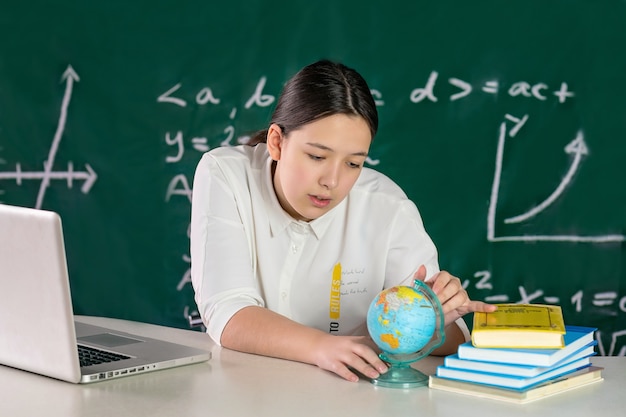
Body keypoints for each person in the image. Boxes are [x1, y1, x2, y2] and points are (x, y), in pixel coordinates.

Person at [190, 59, 496, 382]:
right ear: (277, 142)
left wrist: (432, 315)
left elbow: (452, 340)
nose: (333, 181)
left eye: (353, 164)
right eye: (317, 157)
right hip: (242, 394)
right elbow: (228, 314)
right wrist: (323, 346)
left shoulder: (388, 207)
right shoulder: (225, 175)